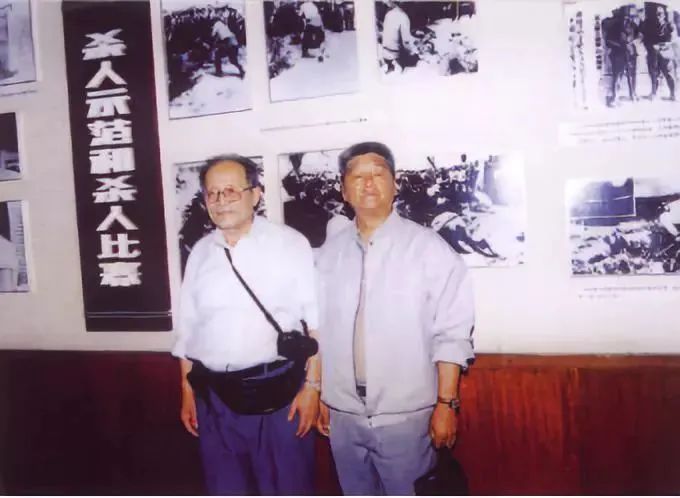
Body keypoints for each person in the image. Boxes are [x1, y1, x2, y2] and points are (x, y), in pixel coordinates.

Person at [315, 142, 475, 495]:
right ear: (343, 189)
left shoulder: (428, 249)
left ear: (395, 183)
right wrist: (324, 396)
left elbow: (453, 334)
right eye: (357, 176)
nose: (368, 183)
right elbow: (319, 330)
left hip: (406, 417)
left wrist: (447, 404)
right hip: (343, 416)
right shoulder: (328, 255)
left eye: (377, 173)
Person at [172, 155, 320, 495]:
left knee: (287, 488)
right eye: (212, 193)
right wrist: (187, 390)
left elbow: (317, 322)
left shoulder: (289, 244)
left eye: (230, 191)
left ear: (255, 194)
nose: (220, 201)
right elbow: (188, 328)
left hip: (278, 395)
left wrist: (313, 388)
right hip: (214, 400)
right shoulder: (201, 252)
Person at [642, 4, 676, 101]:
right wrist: (650, 48)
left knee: (668, 74)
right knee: (653, 74)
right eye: (657, 14)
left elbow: (672, 41)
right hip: (653, 54)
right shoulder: (652, 26)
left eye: (660, 14)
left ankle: (672, 95)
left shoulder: (670, 26)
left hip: (665, 54)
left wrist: (661, 46)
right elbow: (647, 39)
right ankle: (653, 93)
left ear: (664, 15)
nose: (658, 16)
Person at [381, 0, 418, 73]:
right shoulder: (404, 16)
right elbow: (406, 42)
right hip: (395, 57)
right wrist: (414, 52)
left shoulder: (389, 13)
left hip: (384, 53)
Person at [211, 12, 245, 78]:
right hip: (233, 40)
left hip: (228, 41)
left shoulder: (216, 24)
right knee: (233, 60)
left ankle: (219, 72)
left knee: (217, 55)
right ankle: (242, 71)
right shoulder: (223, 24)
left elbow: (212, 34)